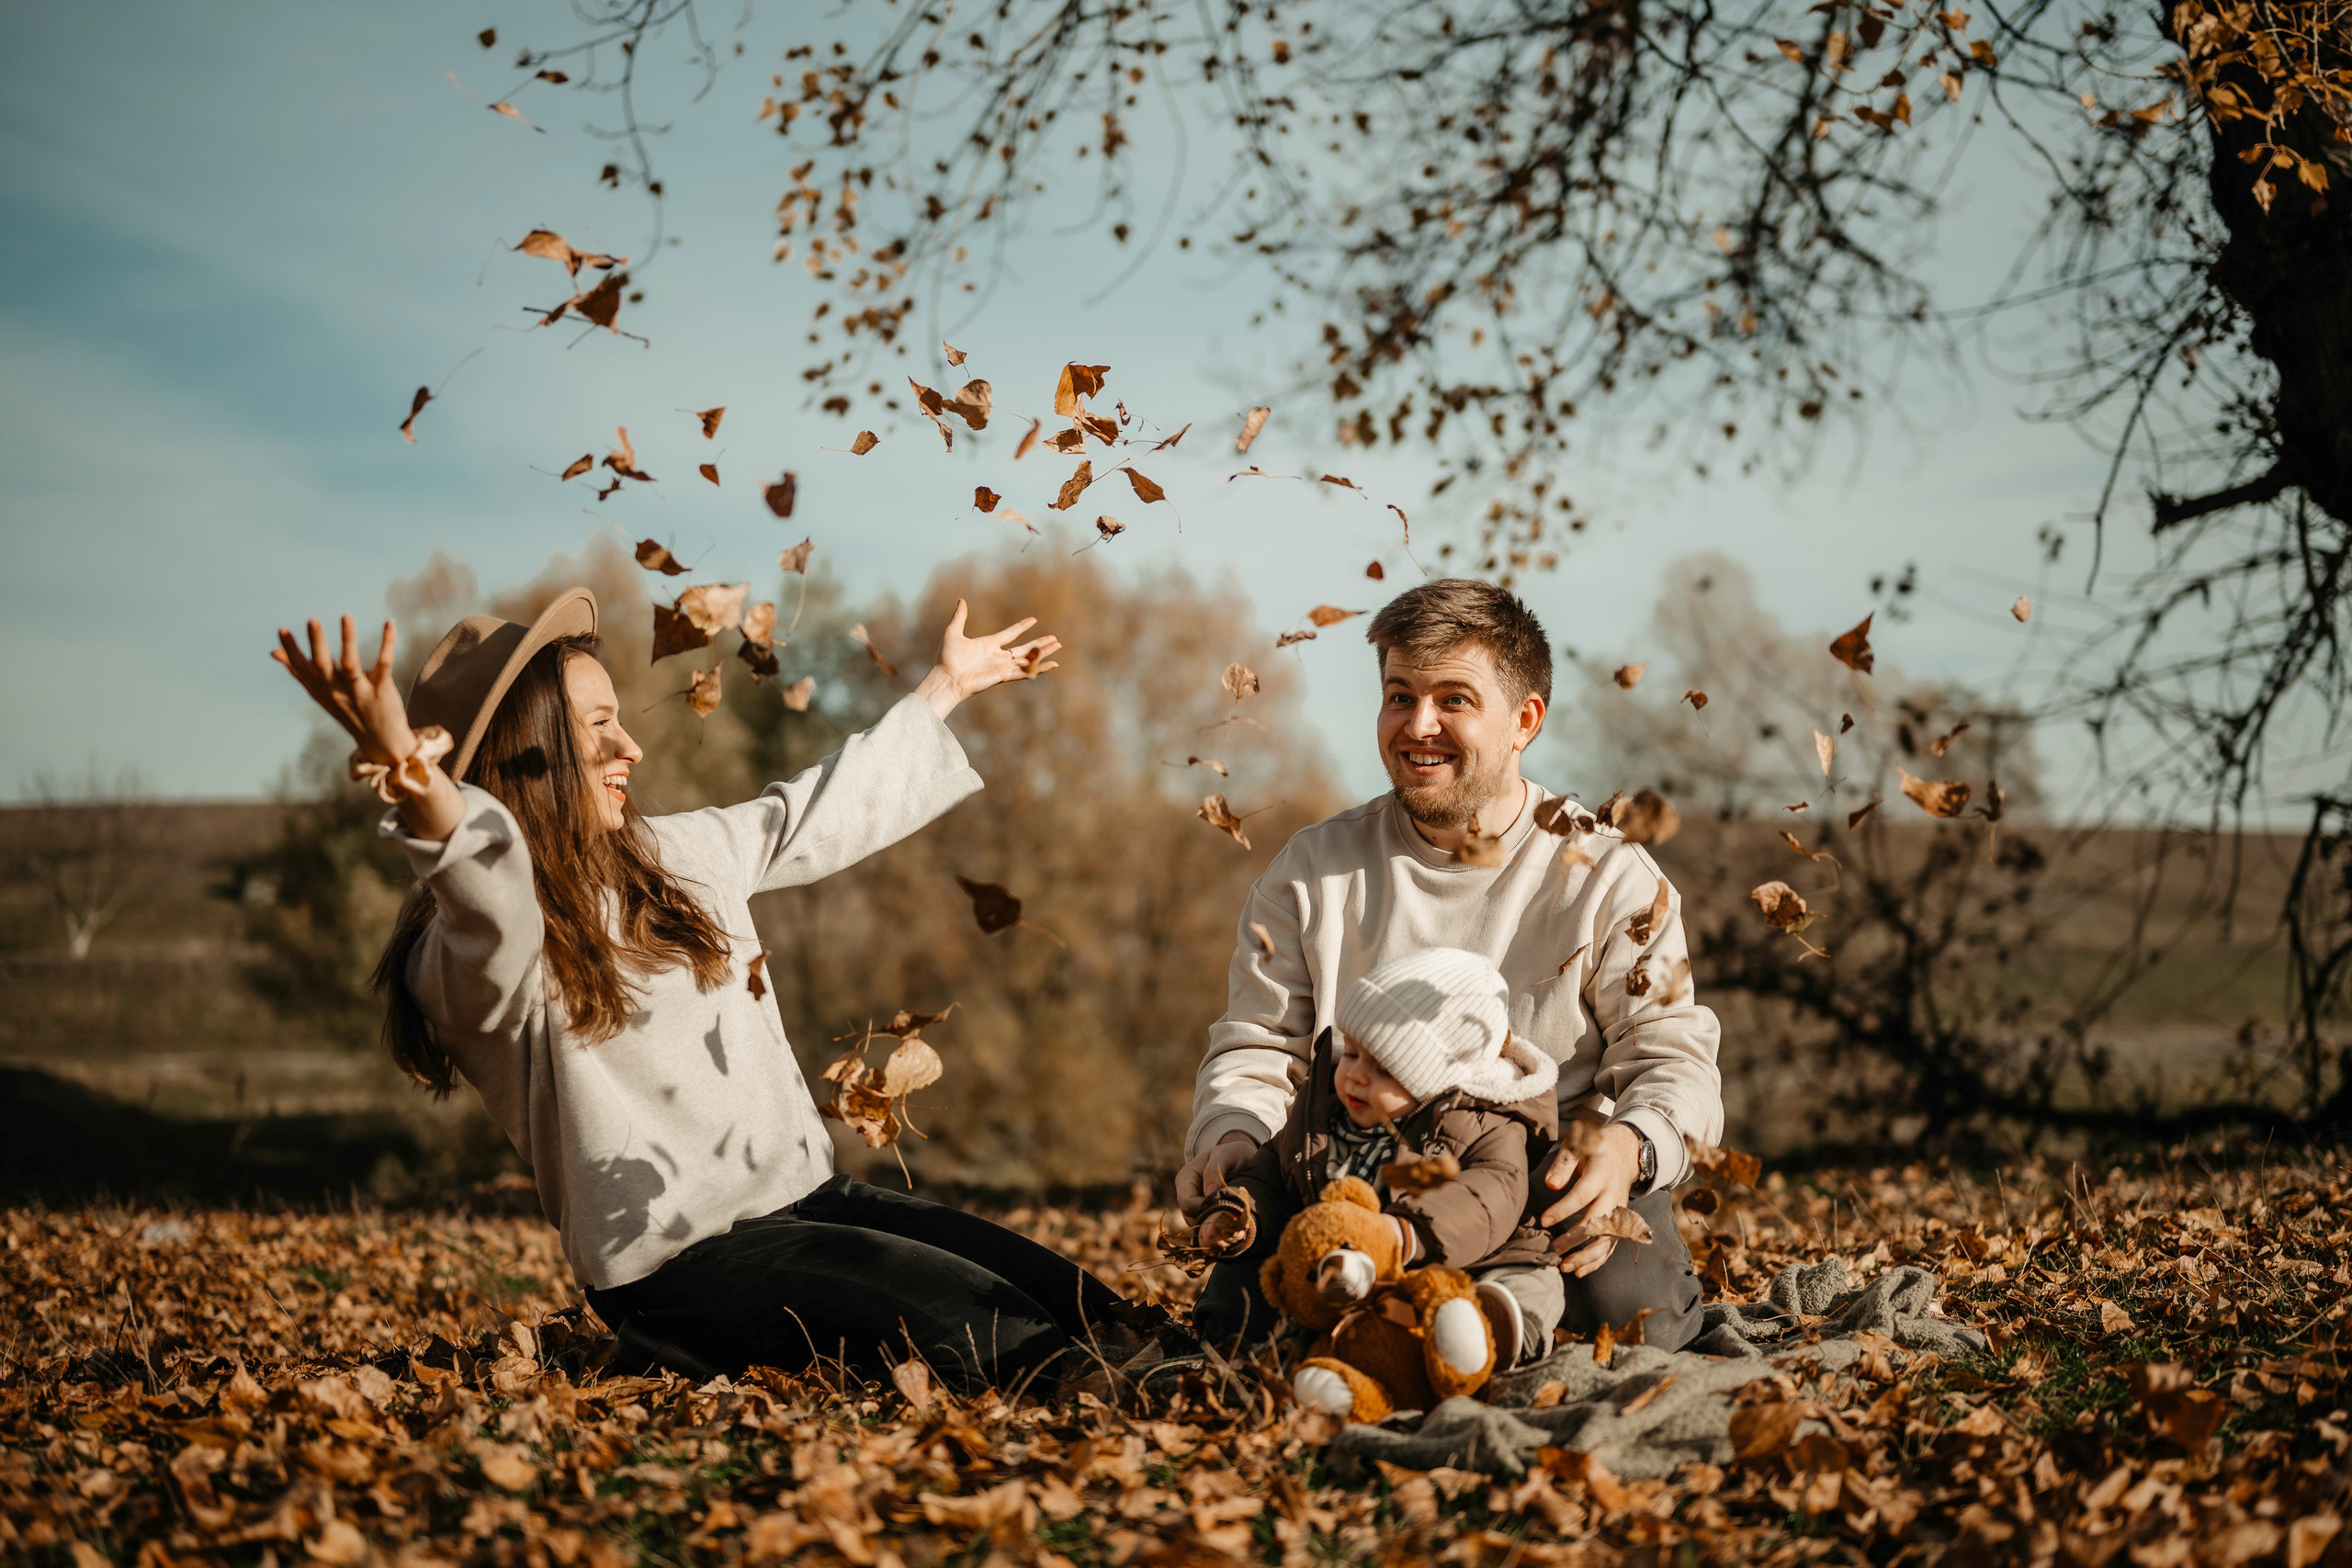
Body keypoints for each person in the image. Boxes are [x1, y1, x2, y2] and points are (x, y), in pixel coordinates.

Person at [272, 590, 1159, 1394]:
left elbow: (815, 811)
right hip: (681, 1273)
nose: (632, 746)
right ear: (523, 749)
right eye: (599, 724)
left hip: (813, 1205)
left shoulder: (678, 856)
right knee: (1016, 1344)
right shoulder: (467, 957)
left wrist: (944, 688)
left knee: (1083, 1303)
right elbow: (489, 891)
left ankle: (1193, 1366)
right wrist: (412, 774)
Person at [1177, 579, 1722, 1356]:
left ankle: (1507, 1323)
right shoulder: (1312, 870)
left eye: (1453, 699)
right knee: (1238, 1329)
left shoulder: (1610, 875)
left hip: (1546, 1186)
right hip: (1352, 1170)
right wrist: (1232, 1132)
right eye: (1400, 695)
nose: (1418, 725)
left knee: (1637, 1328)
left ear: (1523, 720)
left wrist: (1632, 1147)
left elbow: (1676, 1057)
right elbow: (1257, 1046)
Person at [1189, 947, 1561, 1370]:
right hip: (1346, 1270)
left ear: (1435, 1081)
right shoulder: (1325, 1113)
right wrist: (1240, 1211)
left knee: (1524, 1286)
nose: (1356, 1075)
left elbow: (1487, 1198)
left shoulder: (1483, 1124)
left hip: (1464, 1258)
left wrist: (1402, 1232)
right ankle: (1239, 1341)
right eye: (1351, 1053)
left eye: (1383, 1069)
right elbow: (1274, 1171)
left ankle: (1485, 1337)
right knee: (1255, 1269)